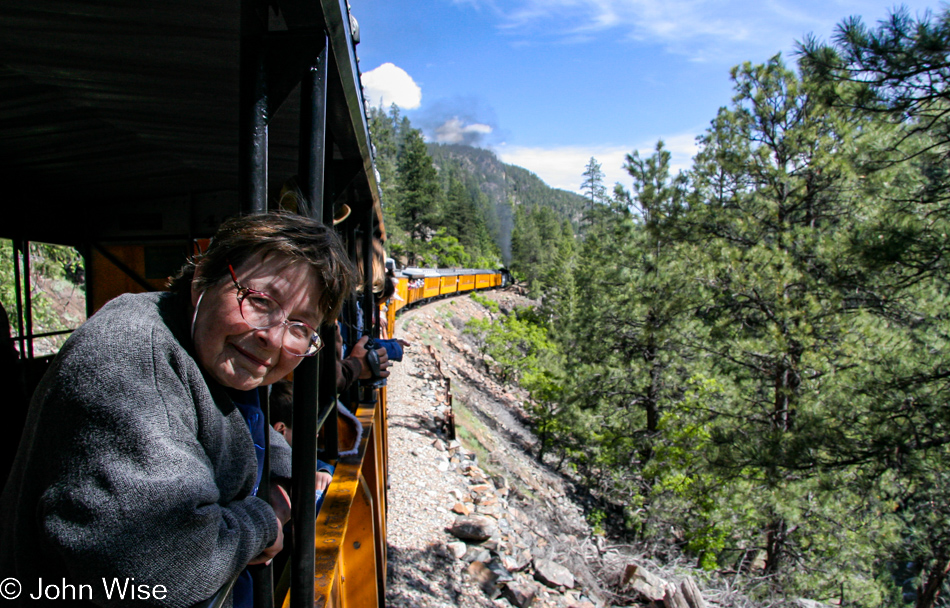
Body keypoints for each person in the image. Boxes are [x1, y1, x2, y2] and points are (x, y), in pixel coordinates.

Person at [0, 213, 353, 607]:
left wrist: (291, 470)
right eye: (260, 300)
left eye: (300, 327)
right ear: (203, 278)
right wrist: (263, 521)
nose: (272, 338)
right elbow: (162, 563)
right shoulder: (130, 354)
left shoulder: (206, 351)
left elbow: (231, 421)